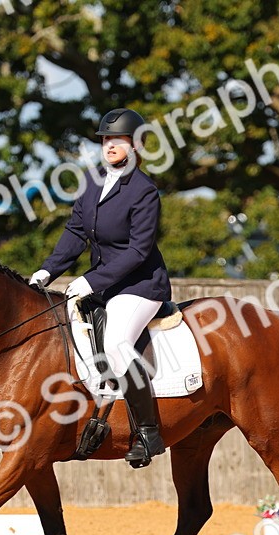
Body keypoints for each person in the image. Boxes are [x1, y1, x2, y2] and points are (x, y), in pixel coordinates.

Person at [29, 107, 171, 467]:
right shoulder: (93, 182)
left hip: (140, 286)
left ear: (135, 145)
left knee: (117, 343)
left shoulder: (144, 191)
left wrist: (90, 280)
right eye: (106, 140)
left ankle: (149, 433)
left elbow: (139, 251)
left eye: (117, 140)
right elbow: (76, 232)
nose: (109, 146)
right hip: (106, 285)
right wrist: (47, 271)